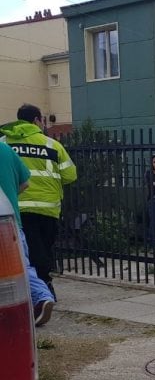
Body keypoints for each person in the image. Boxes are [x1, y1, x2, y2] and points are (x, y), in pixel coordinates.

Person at [0, 103, 77, 300]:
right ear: (37, 120)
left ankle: (33, 291)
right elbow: (70, 175)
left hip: (15, 209)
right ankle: (44, 289)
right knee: (44, 249)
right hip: (47, 209)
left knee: (20, 254)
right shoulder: (52, 145)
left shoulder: (4, 143)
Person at [0, 140, 56, 326]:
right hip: (11, 221)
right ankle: (40, 298)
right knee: (22, 267)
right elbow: (25, 183)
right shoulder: (5, 150)